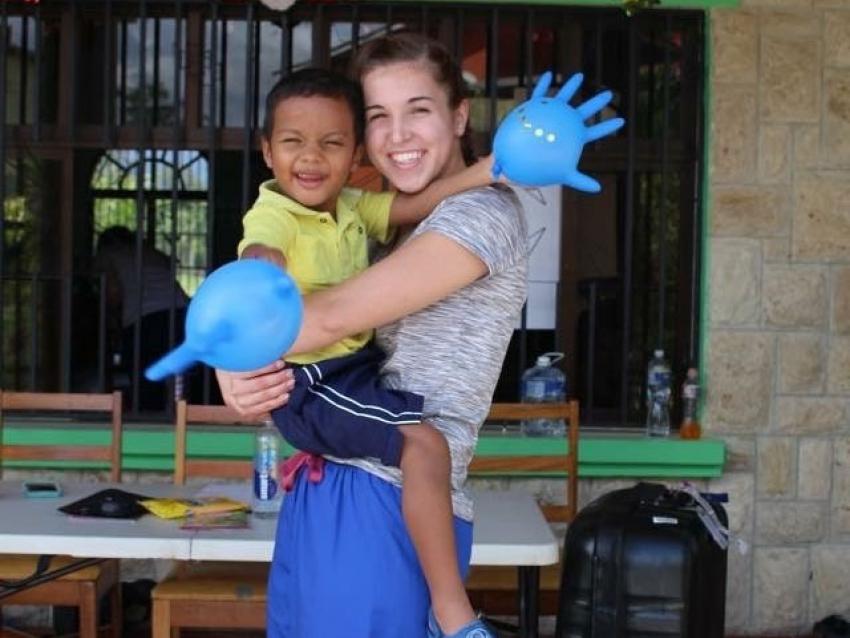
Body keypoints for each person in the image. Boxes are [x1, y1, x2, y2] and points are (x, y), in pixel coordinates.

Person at [218, 33, 529, 638]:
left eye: (419, 109)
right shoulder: (372, 217)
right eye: (380, 116)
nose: (398, 135)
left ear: (459, 115)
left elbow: (330, 318)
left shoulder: (480, 213)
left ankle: (453, 615)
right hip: (328, 477)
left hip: (387, 501)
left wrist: (230, 350)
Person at [95, 225, 190, 411]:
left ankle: (150, 424)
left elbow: (112, 293)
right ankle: (185, 420)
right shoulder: (151, 253)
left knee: (146, 379)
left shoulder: (108, 255)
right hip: (182, 315)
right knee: (182, 377)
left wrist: (112, 320)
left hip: (145, 319)